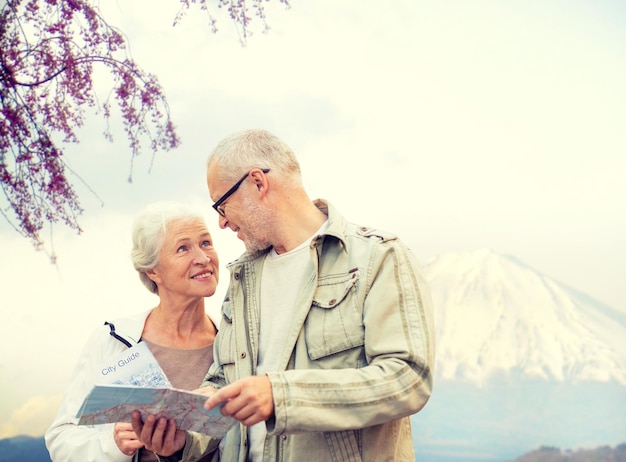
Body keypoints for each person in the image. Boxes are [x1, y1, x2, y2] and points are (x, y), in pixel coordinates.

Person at [133, 129, 436, 461]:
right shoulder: (242, 278)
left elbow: (408, 378)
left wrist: (282, 396)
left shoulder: (377, 257)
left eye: (221, 204)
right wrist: (182, 441)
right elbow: (223, 383)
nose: (220, 222)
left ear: (258, 183)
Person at [45, 202, 221, 462]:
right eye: (183, 248)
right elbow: (60, 439)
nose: (203, 258)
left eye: (206, 243)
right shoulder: (112, 340)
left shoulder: (233, 343)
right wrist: (114, 445)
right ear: (152, 270)